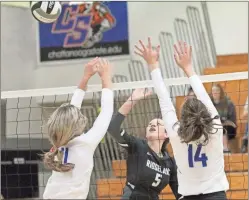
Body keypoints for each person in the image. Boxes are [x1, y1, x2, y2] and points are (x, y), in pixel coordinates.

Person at [135, 38, 229, 200]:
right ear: (205, 114)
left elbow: (164, 100)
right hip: (216, 195)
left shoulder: (176, 133)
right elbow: (205, 98)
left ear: (182, 116)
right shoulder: (215, 128)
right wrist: (188, 68)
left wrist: (153, 65)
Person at [43, 57, 114, 199]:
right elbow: (106, 111)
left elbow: (70, 116)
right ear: (78, 123)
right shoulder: (86, 143)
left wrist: (86, 77)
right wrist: (106, 78)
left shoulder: (58, 143)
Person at [108, 88, 180, 200]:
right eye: (150, 124)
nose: (152, 125)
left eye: (158, 124)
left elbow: (179, 193)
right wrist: (132, 100)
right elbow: (113, 128)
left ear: (166, 134)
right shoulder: (138, 146)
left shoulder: (169, 162)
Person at [210, 84, 237, 153]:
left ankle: (225, 149)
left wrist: (222, 123)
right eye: (213, 91)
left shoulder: (228, 103)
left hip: (229, 125)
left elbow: (232, 121)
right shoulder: (209, 104)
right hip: (214, 125)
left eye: (217, 90)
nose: (215, 92)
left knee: (223, 129)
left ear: (221, 92)